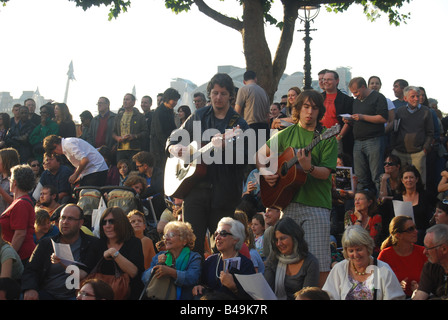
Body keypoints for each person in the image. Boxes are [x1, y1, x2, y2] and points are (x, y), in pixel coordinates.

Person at [256, 89, 338, 287]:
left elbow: (326, 173)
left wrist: (309, 168)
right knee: (287, 261)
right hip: (288, 205)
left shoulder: (326, 136)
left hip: (316, 206)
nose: (310, 112)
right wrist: (266, 173)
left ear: (320, 111)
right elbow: (259, 156)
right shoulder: (285, 135)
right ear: (298, 109)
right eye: (306, 107)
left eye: (315, 108)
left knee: (318, 261)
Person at [167, 73, 249, 256]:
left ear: (231, 96)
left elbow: (244, 159)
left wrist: (224, 150)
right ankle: (193, 282)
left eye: (223, 93)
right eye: (215, 93)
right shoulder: (198, 115)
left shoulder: (239, 125)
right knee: (191, 244)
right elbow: (173, 138)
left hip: (223, 194)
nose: (218, 97)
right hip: (194, 190)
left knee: (222, 246)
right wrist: (173, 148)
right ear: (209, 94)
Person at [21, 204, 101, 300]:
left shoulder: (92, 244)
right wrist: (30, 288)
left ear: (80, 223)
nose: (65, 222)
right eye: (63, 218)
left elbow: (88, 274)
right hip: (46, 294)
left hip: (77, 295)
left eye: (70, 219)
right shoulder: (46, 244)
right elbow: (31, 270)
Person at [322, 225, 405, 300]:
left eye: (359, 249)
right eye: (351, 251)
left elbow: (395, 298)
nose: (356, 255)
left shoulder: (383, 270)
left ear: (367, 247)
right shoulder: (339, 269)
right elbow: (328, 296)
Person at [192, 217, 255, 299]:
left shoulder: (246, 264)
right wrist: (198, 287)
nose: (217, 238)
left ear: (236, 239)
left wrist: (234, 288)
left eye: (223, 233)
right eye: (216, 234)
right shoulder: (210, 261)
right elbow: (202, 284)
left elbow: (252, 297)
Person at [346, 77, 388, 195]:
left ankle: (380, 202)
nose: (355, 95)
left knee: (376, 175)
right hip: (358, 141)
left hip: (374, 140)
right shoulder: (356, 101)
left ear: (363, 87)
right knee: (360, 177)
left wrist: (363, 117)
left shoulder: (378, 98)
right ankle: (362, 200)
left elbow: (383, 118)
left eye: (356, 92)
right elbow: (358, 119)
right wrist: (350, 120)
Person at [142, 220, 201, 300]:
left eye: (171, 235)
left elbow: (192, 278)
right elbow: (144, 278)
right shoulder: (159, 256)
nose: (167, 238)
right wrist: (155, 269)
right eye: (165, 236)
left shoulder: (194, 257)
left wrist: (171, 272)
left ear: (184, 241)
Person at [264, 217, 320, 300]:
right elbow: (267, 289)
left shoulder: (310, 262)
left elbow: (308, 297)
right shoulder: (274, 258)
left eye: (282, 238)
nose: (279, 243)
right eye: (276, 240)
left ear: (295, 238)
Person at [97, 207, 145, 300]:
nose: (107, 225)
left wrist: (114, 253)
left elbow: (134, 272)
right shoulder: (98, 244)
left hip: (129, 295)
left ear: (121, 223)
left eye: (111, 221)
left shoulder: (134, 243)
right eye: (104, 222)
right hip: (103, 296)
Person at [391, 86, 434, 186]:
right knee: (400, 180)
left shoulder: (426, 111)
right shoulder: (400, 111)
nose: (416, 99)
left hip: (418, 153)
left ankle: (421, 201)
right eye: (413, 96)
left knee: (419, 180)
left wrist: (425, 149)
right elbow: (395, 130)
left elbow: (430, 132)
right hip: (400, 152)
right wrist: (393, 149)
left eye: (417, 96)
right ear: (405, 98)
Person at [377, 215, 427, 298]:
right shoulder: (385, 255)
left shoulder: (423, 252)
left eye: (415, 227)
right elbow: (378, 285)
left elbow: (433, 281)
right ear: (398, 235)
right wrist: (396, 288)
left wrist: (422, 289)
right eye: (411, 229)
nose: (416, 231)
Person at [0, 164, 36, 264]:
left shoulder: (21, 204)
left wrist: (8, 257)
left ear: (14, 183)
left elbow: (20, 234)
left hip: (21, 257)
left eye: (10, 178)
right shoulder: (19, 202)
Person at [43, 135, 109, 187]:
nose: (57, 154)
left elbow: (85, 160)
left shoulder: (68, 144)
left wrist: (75, 175)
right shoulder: (67, 144)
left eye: (55, 152)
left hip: (96, 170)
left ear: (55, 145)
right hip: (93, 170)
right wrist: (79, 177)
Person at [393, 165, 435, 245]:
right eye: (406, 178)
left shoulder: (425, 195)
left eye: (411, 177)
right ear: (402, 180)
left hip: (422, 233)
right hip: (403, 234)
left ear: (417, 179)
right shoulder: (397, 198)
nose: (409, 180)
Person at [234, 70, 271, 151]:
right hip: (265, 128)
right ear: (255, 79)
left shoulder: (243, 89)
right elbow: (268, 115)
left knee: (251, 158)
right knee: (262, 157)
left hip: (250, 127)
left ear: (244, 81)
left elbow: (236, 112)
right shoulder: (264, 92)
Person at [321, 70, 354, 156]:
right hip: (320, 138)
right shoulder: (319, 98)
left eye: (329, 79)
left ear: (337, 81)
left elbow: (349, 121)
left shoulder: (347, 100)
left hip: (338, 139)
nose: (325, 82)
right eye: (324, 79)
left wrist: (339, 137)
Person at [412, 224, 448, 300]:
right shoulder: (430, 266)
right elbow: (420, 296)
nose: (424, 252)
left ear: (444, 249)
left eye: (428, 248)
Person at [344, 190, 382, 255]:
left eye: (360, 199)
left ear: (369, 202)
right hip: (353, 251)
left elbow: (372, 241)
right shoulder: (349, 214)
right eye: (355, 199)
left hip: (370, 252)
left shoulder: (376, 217)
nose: (356, 202)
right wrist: (359, 219)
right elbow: (351, 237)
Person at [113, 93, 148, 164]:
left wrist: (134, 136)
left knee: (133, 171)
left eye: (127, 100)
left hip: (134, 149)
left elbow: (145, 132)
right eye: (124, 99)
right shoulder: (118, 117)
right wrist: (117, 138)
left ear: (133, 102)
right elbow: (113, 132)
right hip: (121, 149)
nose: (125, 101)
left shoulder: (139, 116)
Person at [150, 88, 180, 171]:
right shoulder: (159, 112)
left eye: (176, 100)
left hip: (168, 146)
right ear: (167, 99)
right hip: (159, 149)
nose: (175, 103)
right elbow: (159, 132)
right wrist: (168, 146)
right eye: (173, 100)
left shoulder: (170, 111)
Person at [132, 151, 165, 220]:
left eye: (138, 166)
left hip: (159, 209)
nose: (137, 168)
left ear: (145, 166)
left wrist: (142, 193)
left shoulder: (160, 174)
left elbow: (156, 189)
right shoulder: (140, 176)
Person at [0, 148, 20, 213]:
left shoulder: (15, 180)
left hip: (8, 219)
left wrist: (1, 191)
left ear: (7, 162)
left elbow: (14, 202)